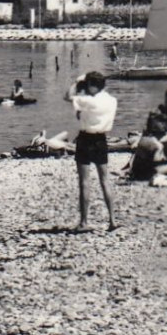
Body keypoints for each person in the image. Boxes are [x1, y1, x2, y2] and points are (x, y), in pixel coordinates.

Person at [66, 71, 117, 232]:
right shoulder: (111, 100)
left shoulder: (88, 101)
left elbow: (68, 96)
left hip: (86, 139)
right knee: (104, 179)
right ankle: (112, 220)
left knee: (84, 181)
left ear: (92, 86)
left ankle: (84, 222)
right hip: (102, 140)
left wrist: (77, 81)